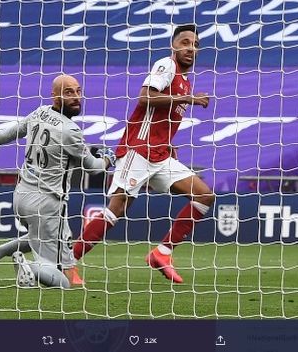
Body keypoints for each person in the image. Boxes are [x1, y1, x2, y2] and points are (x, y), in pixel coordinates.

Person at [72, 24, 213, 284]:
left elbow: (160, 119)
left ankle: (162, 253)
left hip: (159, 154)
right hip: (138, 149)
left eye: (195, 44)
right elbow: (145, 98)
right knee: (117, 209)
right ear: (173, 45)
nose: (190, 48)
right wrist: (189, 100)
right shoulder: (166, 66)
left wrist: (168, 143)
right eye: (184, 42)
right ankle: (69, 262)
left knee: (204, 195)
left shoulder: (185, 81)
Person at [0, 74, 114, 288]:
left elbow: (5, 135)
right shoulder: (70, 130)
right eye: (69, 92)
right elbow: (94, 169)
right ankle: (29, 267)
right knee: (64, 280)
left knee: (38, 236)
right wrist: (108, 158)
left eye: (78, 91)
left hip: (21, 196)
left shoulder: (39, 113)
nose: (76, 97)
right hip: (48, 203)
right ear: (54, 96)